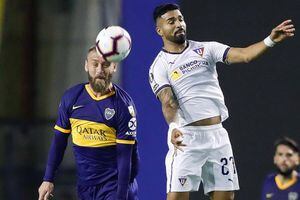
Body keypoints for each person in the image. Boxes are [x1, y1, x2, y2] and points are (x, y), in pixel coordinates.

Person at [149, 3, 295, 200]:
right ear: (160, 30)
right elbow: (168, 101)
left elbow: (244, 56)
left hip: (218, 136)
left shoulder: (207, 48)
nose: (179, 24)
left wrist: (270, 40)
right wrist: (173, 126)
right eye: (171, 21)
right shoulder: (159, 66)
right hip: (186, 138)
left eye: (180, 19)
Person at [38, 46, 139, 200]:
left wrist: (121, 196)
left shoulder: (123, 105)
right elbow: (59, 142)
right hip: (85, 187)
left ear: (114, 67)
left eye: (105, 64)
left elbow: (125, 158)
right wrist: (48, 179)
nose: (100, 70)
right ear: (86, 65)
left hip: (115, 187)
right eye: (95, 64)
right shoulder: (72, 98)